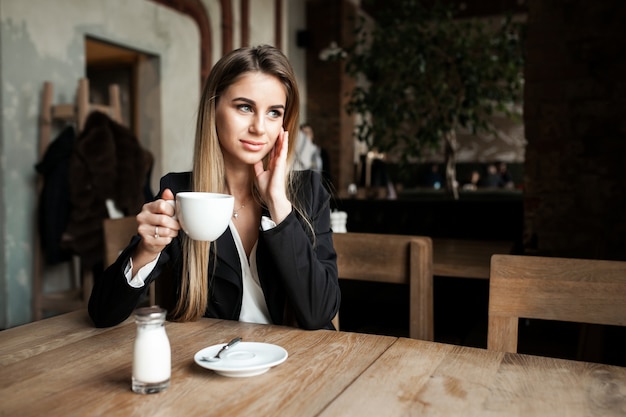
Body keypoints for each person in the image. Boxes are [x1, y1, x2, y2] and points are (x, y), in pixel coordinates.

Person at [88, 45, 341, 330]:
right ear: (214, 108)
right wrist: (146, 249)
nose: (259, 127)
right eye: (245, 107)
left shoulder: (309, 191)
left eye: (273, 112)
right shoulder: (181, 193)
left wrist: (279, 205)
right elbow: (102, 313)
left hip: (300, 366)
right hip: (214, 362)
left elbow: (319, 313)